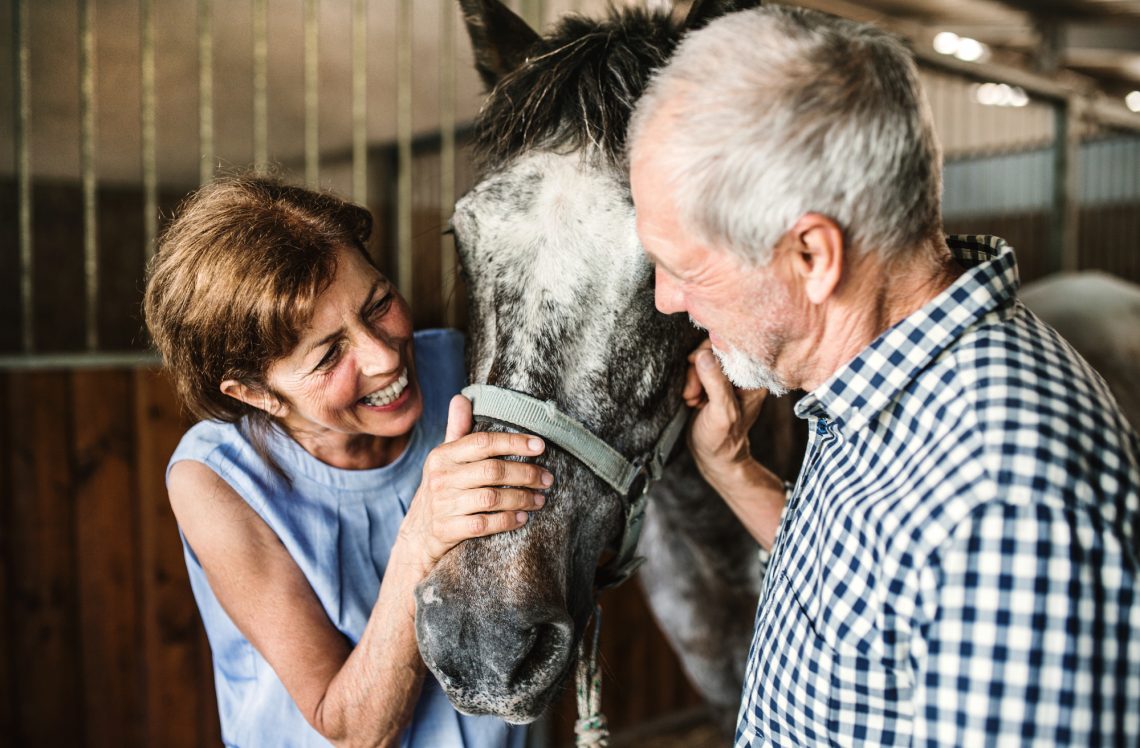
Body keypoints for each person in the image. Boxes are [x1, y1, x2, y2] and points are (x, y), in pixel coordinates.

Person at [628, 6, 1140, 746]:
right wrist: (736, 472)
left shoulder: (1007, 506)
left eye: (683, 267)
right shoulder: (875, 375)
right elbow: (874, 594)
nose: (666, 299)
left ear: (812, 256)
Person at [144, 175, 550, 747]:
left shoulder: (462, 371)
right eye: (330, 354)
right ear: (255, 394)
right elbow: (356, 732)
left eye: (379, 303)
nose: (384, 357)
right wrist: (421, 539)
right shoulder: (215, 481)